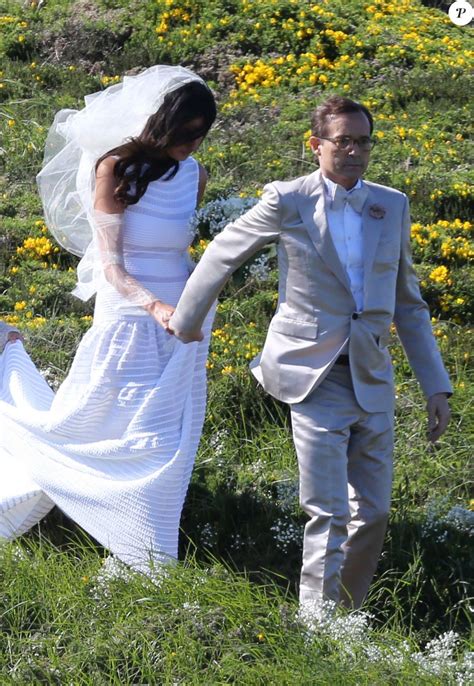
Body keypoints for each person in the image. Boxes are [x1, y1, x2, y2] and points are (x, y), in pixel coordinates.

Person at [169, 95, 452, 609]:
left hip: (373, 373)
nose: (354, 151)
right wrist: (185, 321)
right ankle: (319, 628)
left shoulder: (392, 204)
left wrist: (436, 385)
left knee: (375, 512)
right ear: (316, 145)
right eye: (342, 141)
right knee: (328, 511)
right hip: (312, 372)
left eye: (363, 141)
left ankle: (346, 614)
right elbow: (224, 251)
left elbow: (408, 304)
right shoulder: (288, 199)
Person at [0, 65, 217, 572]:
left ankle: (143, 544)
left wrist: (191, 305)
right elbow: (112, 267)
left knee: (164, 433)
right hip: (129, 312)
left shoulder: (196, 176)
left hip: (181, 321)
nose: (190, 144)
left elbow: (184, 250)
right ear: (160, 122)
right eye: (183, 132)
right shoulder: (115, 167)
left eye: (200, 135)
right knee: (92, 427)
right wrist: (154, 306)